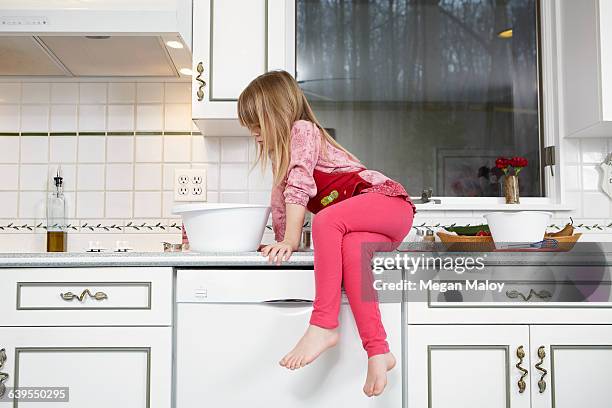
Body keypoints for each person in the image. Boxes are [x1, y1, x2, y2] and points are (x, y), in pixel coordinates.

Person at [237, 70, 415, 397]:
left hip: (390, 203)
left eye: (257, 123)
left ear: (277, 114)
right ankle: (378, 351)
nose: (254, 133)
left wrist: (292, 240)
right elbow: (282, 206)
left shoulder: (302, 131)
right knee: (350, 250)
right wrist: (281, 243)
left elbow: (302, 187)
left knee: (326, 221)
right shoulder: (283, 168)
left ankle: (323, 324)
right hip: (374, 229)